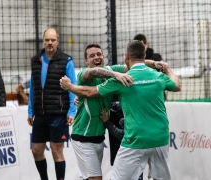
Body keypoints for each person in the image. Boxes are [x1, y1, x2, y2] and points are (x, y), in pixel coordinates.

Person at [60, 40, 181, 180]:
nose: (96, 57)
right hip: (84, 136)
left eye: (99, 54)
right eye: (92, 56)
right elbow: (91, 76)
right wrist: (164, 68)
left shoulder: (121, 76)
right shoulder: (86, 73)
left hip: (104, 136)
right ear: (86, 60)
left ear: (126, 56)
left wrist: (155, 63)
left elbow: (88, 92)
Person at [27, 28, 77, 180]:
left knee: (56, 151)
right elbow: (33, 87)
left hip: (58, 114)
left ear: (58, 41)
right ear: (44, 41)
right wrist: (30, 111)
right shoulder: (36, 61)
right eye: (47, 40)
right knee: (36, 150)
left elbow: (72, 86)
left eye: (53, 40)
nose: (50, 43)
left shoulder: (66, 61)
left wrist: (71, 111)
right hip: (40, 114)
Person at [99, 105, 144, 180]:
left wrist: (106, 121)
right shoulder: (110, 100)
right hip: (121, 153)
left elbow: (121, 135)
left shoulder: (135, 107)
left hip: (132, 152)